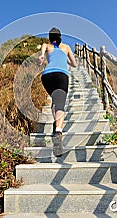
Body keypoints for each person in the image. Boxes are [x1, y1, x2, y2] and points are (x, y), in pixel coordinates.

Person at [38, 27, 77, 156]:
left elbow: (42, 54)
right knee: (60, 104)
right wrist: (65, 60)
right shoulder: (66, 47)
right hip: (61, 75)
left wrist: (42, 57)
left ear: (50, 37)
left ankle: (56, 127)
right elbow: (75, 64)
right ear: (60, 36)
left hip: (47, 76)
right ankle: (58, 131)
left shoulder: (46, 45)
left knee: (55, 101)